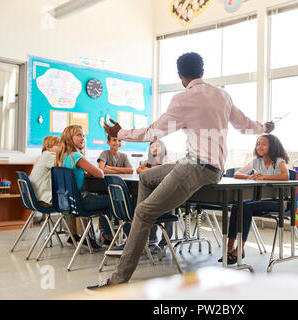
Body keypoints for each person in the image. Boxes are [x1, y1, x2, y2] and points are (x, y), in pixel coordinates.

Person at [87, 52, 274, 290]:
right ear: (202, 72)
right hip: (204, 165)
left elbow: (152, 133)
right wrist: (265, 127)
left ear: (180, 77)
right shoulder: (222, 95)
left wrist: (119, 133)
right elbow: (245, 125)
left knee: (143, 212)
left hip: (197, 167)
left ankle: (118, 279)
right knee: (146, 176)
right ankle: (146, 237)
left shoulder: (183, 99)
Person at [220, 134, 290, 265]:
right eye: (258, 144)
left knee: (246, 206)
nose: (259, 146)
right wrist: (249, 177)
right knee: (238, 204)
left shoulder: (279, 160)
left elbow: (285, 176)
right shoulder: (256, 161)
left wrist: (264, 177)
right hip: (260, 200)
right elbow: (237, 173)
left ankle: (240, 249)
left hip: (276, 202)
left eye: (263, 144)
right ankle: (230, 247)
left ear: (272, 146)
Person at [54, 124, 113, 248]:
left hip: (68, 203)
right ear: (69, 138)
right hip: (82, 201)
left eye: (84, 136)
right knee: (113, 200)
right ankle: (108, 237)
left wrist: (83, 174)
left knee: (104, 200)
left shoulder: (63, 156)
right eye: (78, 135)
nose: (83, 138)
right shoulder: (76, 156)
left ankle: (79, 236)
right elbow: (100, 173)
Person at [137, 139, 172, 248]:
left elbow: (164, 172)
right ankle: (152, 236)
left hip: (166, 196)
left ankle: (166, 239)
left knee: (169, 208)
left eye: (158, 146)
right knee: (146, 203)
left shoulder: (167, 161)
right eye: (152, 147)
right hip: (150, 196)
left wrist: (148, 171)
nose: (155, 148)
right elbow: (139, 170)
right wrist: (149, 170)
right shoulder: (148, 162)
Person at [29, 136, 60, 207]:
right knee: (72, 200)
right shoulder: (49, 155)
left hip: (36, 196)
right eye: (58, 145)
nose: (61, 147)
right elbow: (62, 168)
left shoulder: (44, 156)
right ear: (48, 147)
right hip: (43, 199)